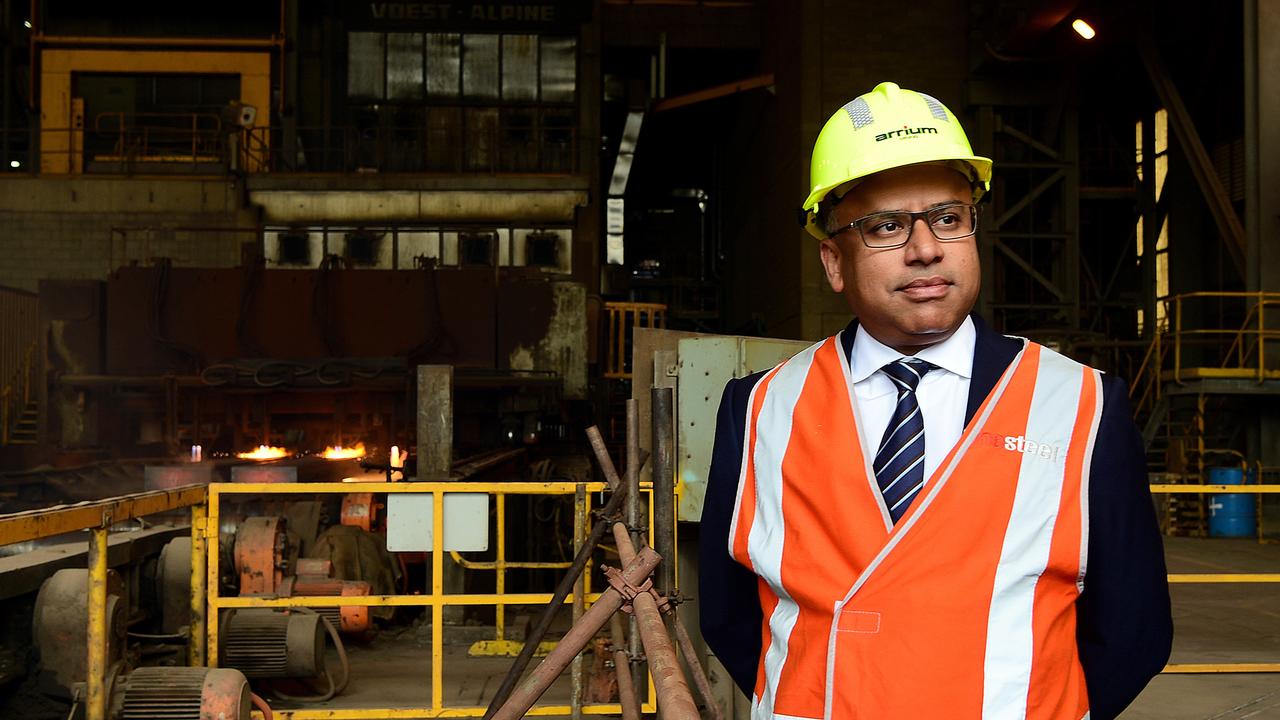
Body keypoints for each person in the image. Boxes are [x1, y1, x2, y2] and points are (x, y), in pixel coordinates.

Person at [698, 82, 1172, 720]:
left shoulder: (1083, 405)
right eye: (887, 227)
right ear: (834, 261)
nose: (926, 248)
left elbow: (1133, 631)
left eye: (947, 218)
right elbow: (727, 615)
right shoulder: (758, 409)